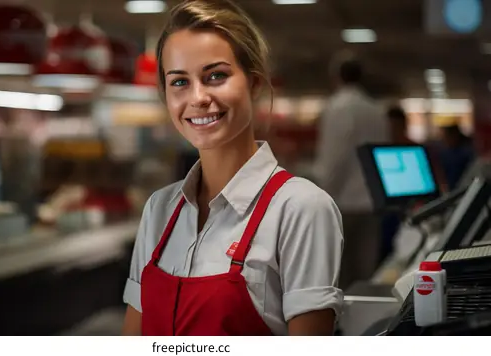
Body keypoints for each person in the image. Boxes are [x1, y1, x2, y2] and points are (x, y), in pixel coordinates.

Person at [122, 0, 343, 336]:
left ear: (254, 84)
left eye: (216, 76)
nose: (197, 97)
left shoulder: (300, 208)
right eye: (179, 82)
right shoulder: (159, 210)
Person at [314, 54, 389, 289]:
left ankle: (341, 323)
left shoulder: (337, 107)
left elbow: (335, 157)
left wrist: (323, 193)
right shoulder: (376, 110)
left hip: (343, 201)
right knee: (365, 271)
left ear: (336, 77)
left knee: (339, 272)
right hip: (371, 200)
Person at [437, 122, 475, 191]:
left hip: (462, 189)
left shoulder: (466, 153)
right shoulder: (445, 152)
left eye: (445, 137)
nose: (443, 140)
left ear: (454, 135)